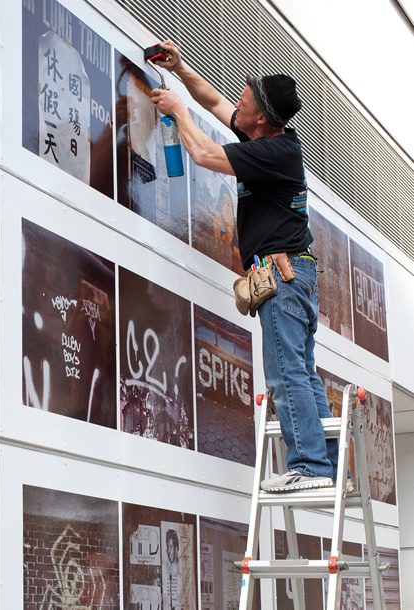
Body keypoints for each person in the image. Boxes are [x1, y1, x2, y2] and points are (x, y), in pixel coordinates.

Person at [150, 40, 338, 493]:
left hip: (284, 277)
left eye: (245, 102)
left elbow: (202, 154)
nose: (237, 103)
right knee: (302, 371)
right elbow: (213, 100)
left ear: (261, 120)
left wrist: (176, 110)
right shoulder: (266, 137)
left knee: (284, 373)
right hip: (294, 274)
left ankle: (311, 468)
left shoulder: (276, 155)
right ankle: (326, 466)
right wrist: (181, 70)